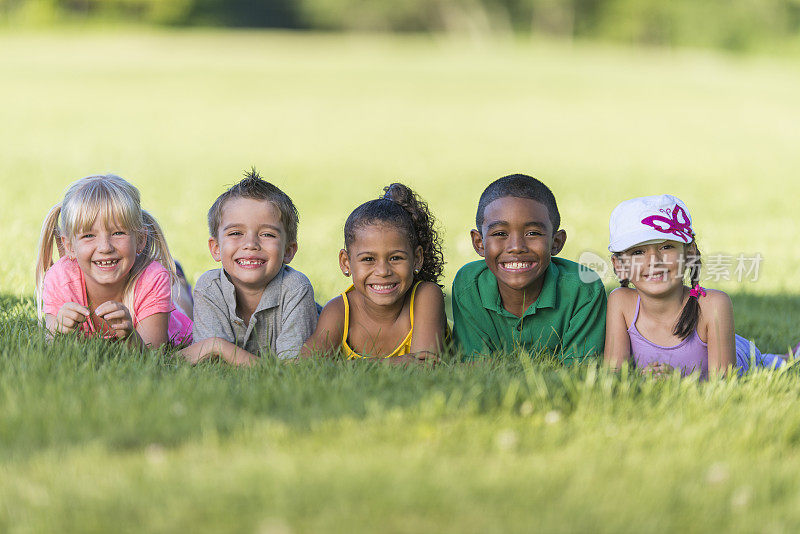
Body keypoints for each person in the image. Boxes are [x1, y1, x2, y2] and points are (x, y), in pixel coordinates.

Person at [604, 194, 785, 378]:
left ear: (689, 254)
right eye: (638, 252)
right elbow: (614, 374)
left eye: (666, 247)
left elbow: (724, 382)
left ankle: (786, 356)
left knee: (775, 363)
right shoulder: (621, 302)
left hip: (739, 355)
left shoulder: (713, 305)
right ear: (620, 265)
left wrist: (677, 381)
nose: (654, 261)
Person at [451, 173, 606, 363]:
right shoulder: (470, 285)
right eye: (500, 233)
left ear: (555, 242)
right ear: (479, 243)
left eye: (533, 233)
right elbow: (475, 368)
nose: (516, 246)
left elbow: (580, 370)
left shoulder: (584, 288)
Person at [35, 174, 193, 347]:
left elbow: (154, 353)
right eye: (89, 236)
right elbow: (50, 345)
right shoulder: (60, 278)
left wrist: (131, 337)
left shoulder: (153, 278)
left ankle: (179, 279)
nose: (105, 247)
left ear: (140, 239)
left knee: (181, 301)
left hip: (166, 310)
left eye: (118, 233)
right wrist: (58, 328)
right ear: (70, 246)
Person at [181, 169, 318, 366]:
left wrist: (218, 346)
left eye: (268, 234)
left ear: (288, 250)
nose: (251, 244)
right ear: (216, 248)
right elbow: (210, 364)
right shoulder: (209, 287)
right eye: (236, 233)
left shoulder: (296, 288)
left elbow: (291, 370)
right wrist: (213, 349)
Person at [300, 183, 447, 364]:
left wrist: (343, 367)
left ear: (417, 258)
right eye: (368, 259)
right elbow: (307, 363)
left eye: (395, 258)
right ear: (346, 262)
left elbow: (425, 365)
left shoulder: (425, 296)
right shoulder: (339, 310)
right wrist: (397, 363)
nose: (383, 271)